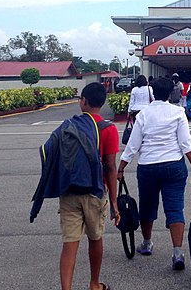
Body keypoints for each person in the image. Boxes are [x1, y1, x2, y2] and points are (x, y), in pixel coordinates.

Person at [117, 77, 191, 271]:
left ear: (152, 94)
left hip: (148, 166)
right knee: (175, 208)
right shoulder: (178, 112)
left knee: (147, 206)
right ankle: (177, 252)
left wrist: (121, 167)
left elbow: (133, 145)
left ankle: (147, 243)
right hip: (173, 165)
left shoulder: (143, 114)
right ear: (169, 94)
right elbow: (185, 143)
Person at [60, 83, 120, 290]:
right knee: (95, 238)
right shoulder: (109, 128)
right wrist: (114, 201)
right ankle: (94, 284)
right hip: (95, 191)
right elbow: (110, 167)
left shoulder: (69, 125)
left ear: (83, 102)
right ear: (102, 103)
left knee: (70, 242)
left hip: (69, 191)